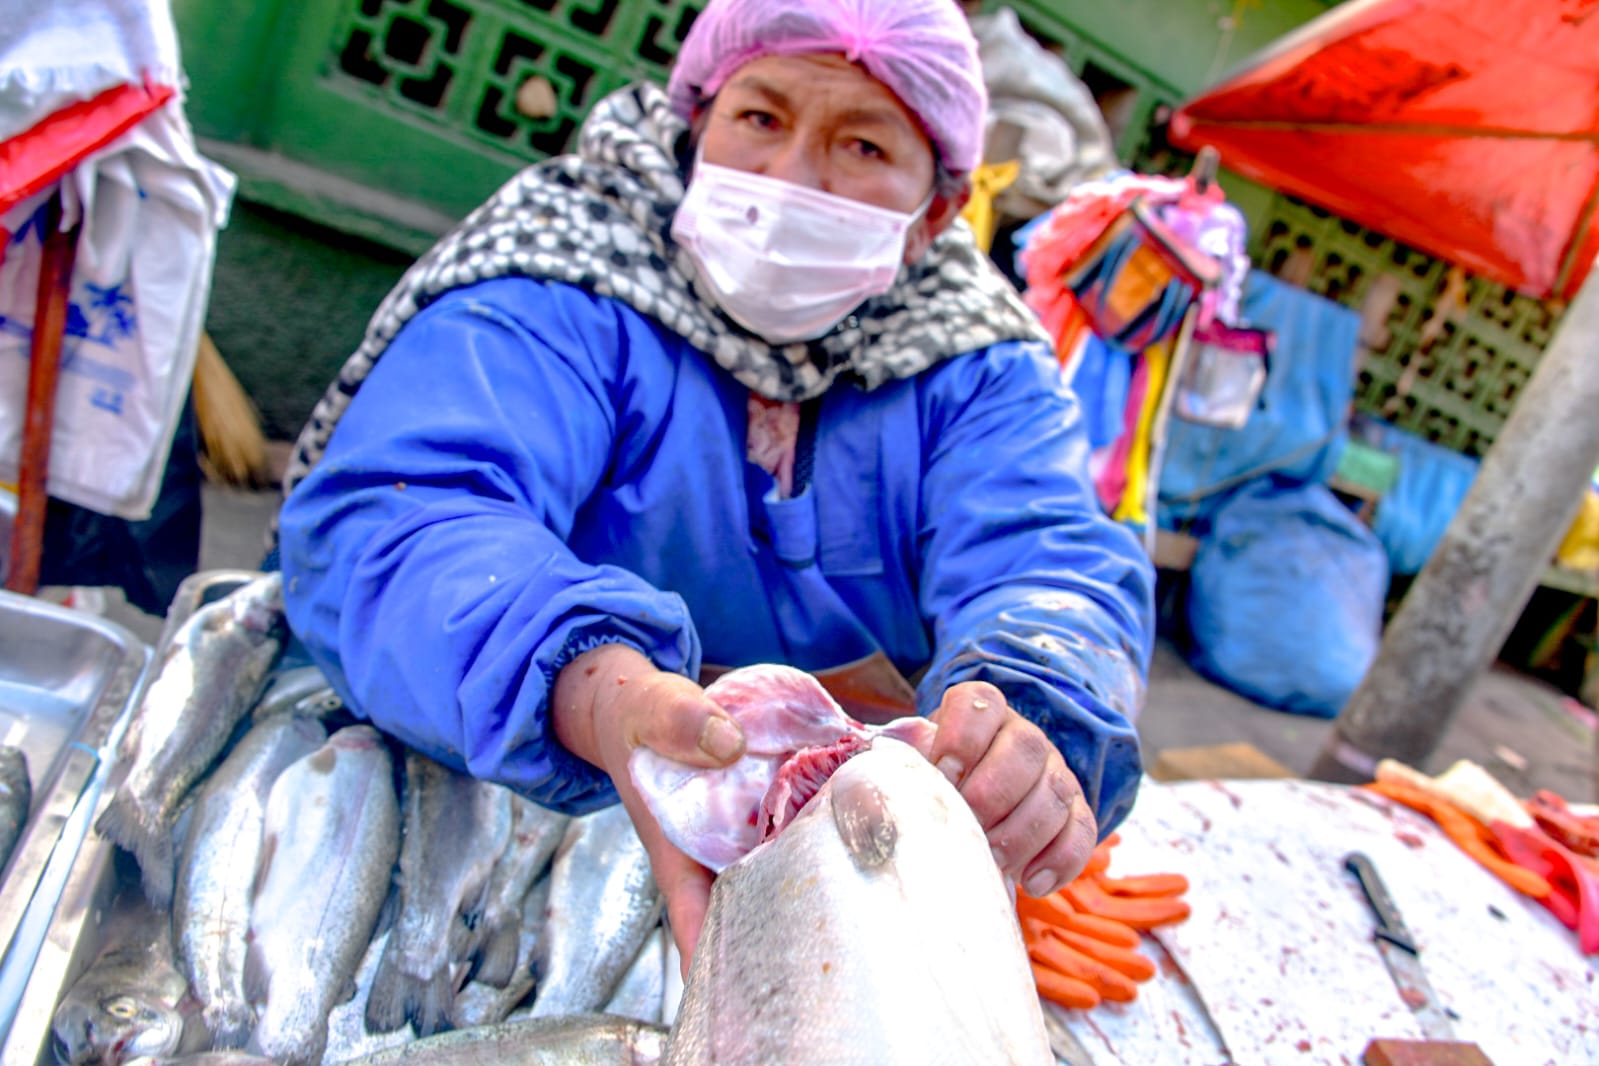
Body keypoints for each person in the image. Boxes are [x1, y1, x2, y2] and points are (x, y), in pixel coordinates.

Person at [277, 0, 1153, 964]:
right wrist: (594, 693)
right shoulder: (559, 272)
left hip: (858, 836)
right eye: (760, 119)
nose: (791, 176)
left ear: (933, 212)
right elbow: (405, 514)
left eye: (863, 145)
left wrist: (1024, 716)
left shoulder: (983, 368)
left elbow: (1047, 562)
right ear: (697, 124)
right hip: (530, 782)